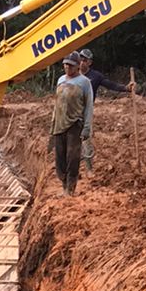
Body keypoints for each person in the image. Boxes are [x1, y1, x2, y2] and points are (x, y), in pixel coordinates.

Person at [78, 48, 128, 172]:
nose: (82, 62)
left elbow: (111, 85)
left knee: (86, 140)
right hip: (71, 112)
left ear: (90, 62)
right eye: (80, 59)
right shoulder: (72, 74)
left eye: (85, 60)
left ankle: (89, 169)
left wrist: (126, 88)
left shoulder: (95, 76)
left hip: (86, 113)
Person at [50, 53, 93, 196]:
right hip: (59, 123)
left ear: (77, 66)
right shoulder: (61, 80)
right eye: (65, 64)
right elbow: (56, 104)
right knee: (60, 158)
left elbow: (89, 106)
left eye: (71, 65)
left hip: (75, 124)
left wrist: (87, 127)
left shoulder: (84, 82)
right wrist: (53, 122)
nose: (67, 67)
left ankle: (70, 189)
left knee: (72, 158)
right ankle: (64, 186)